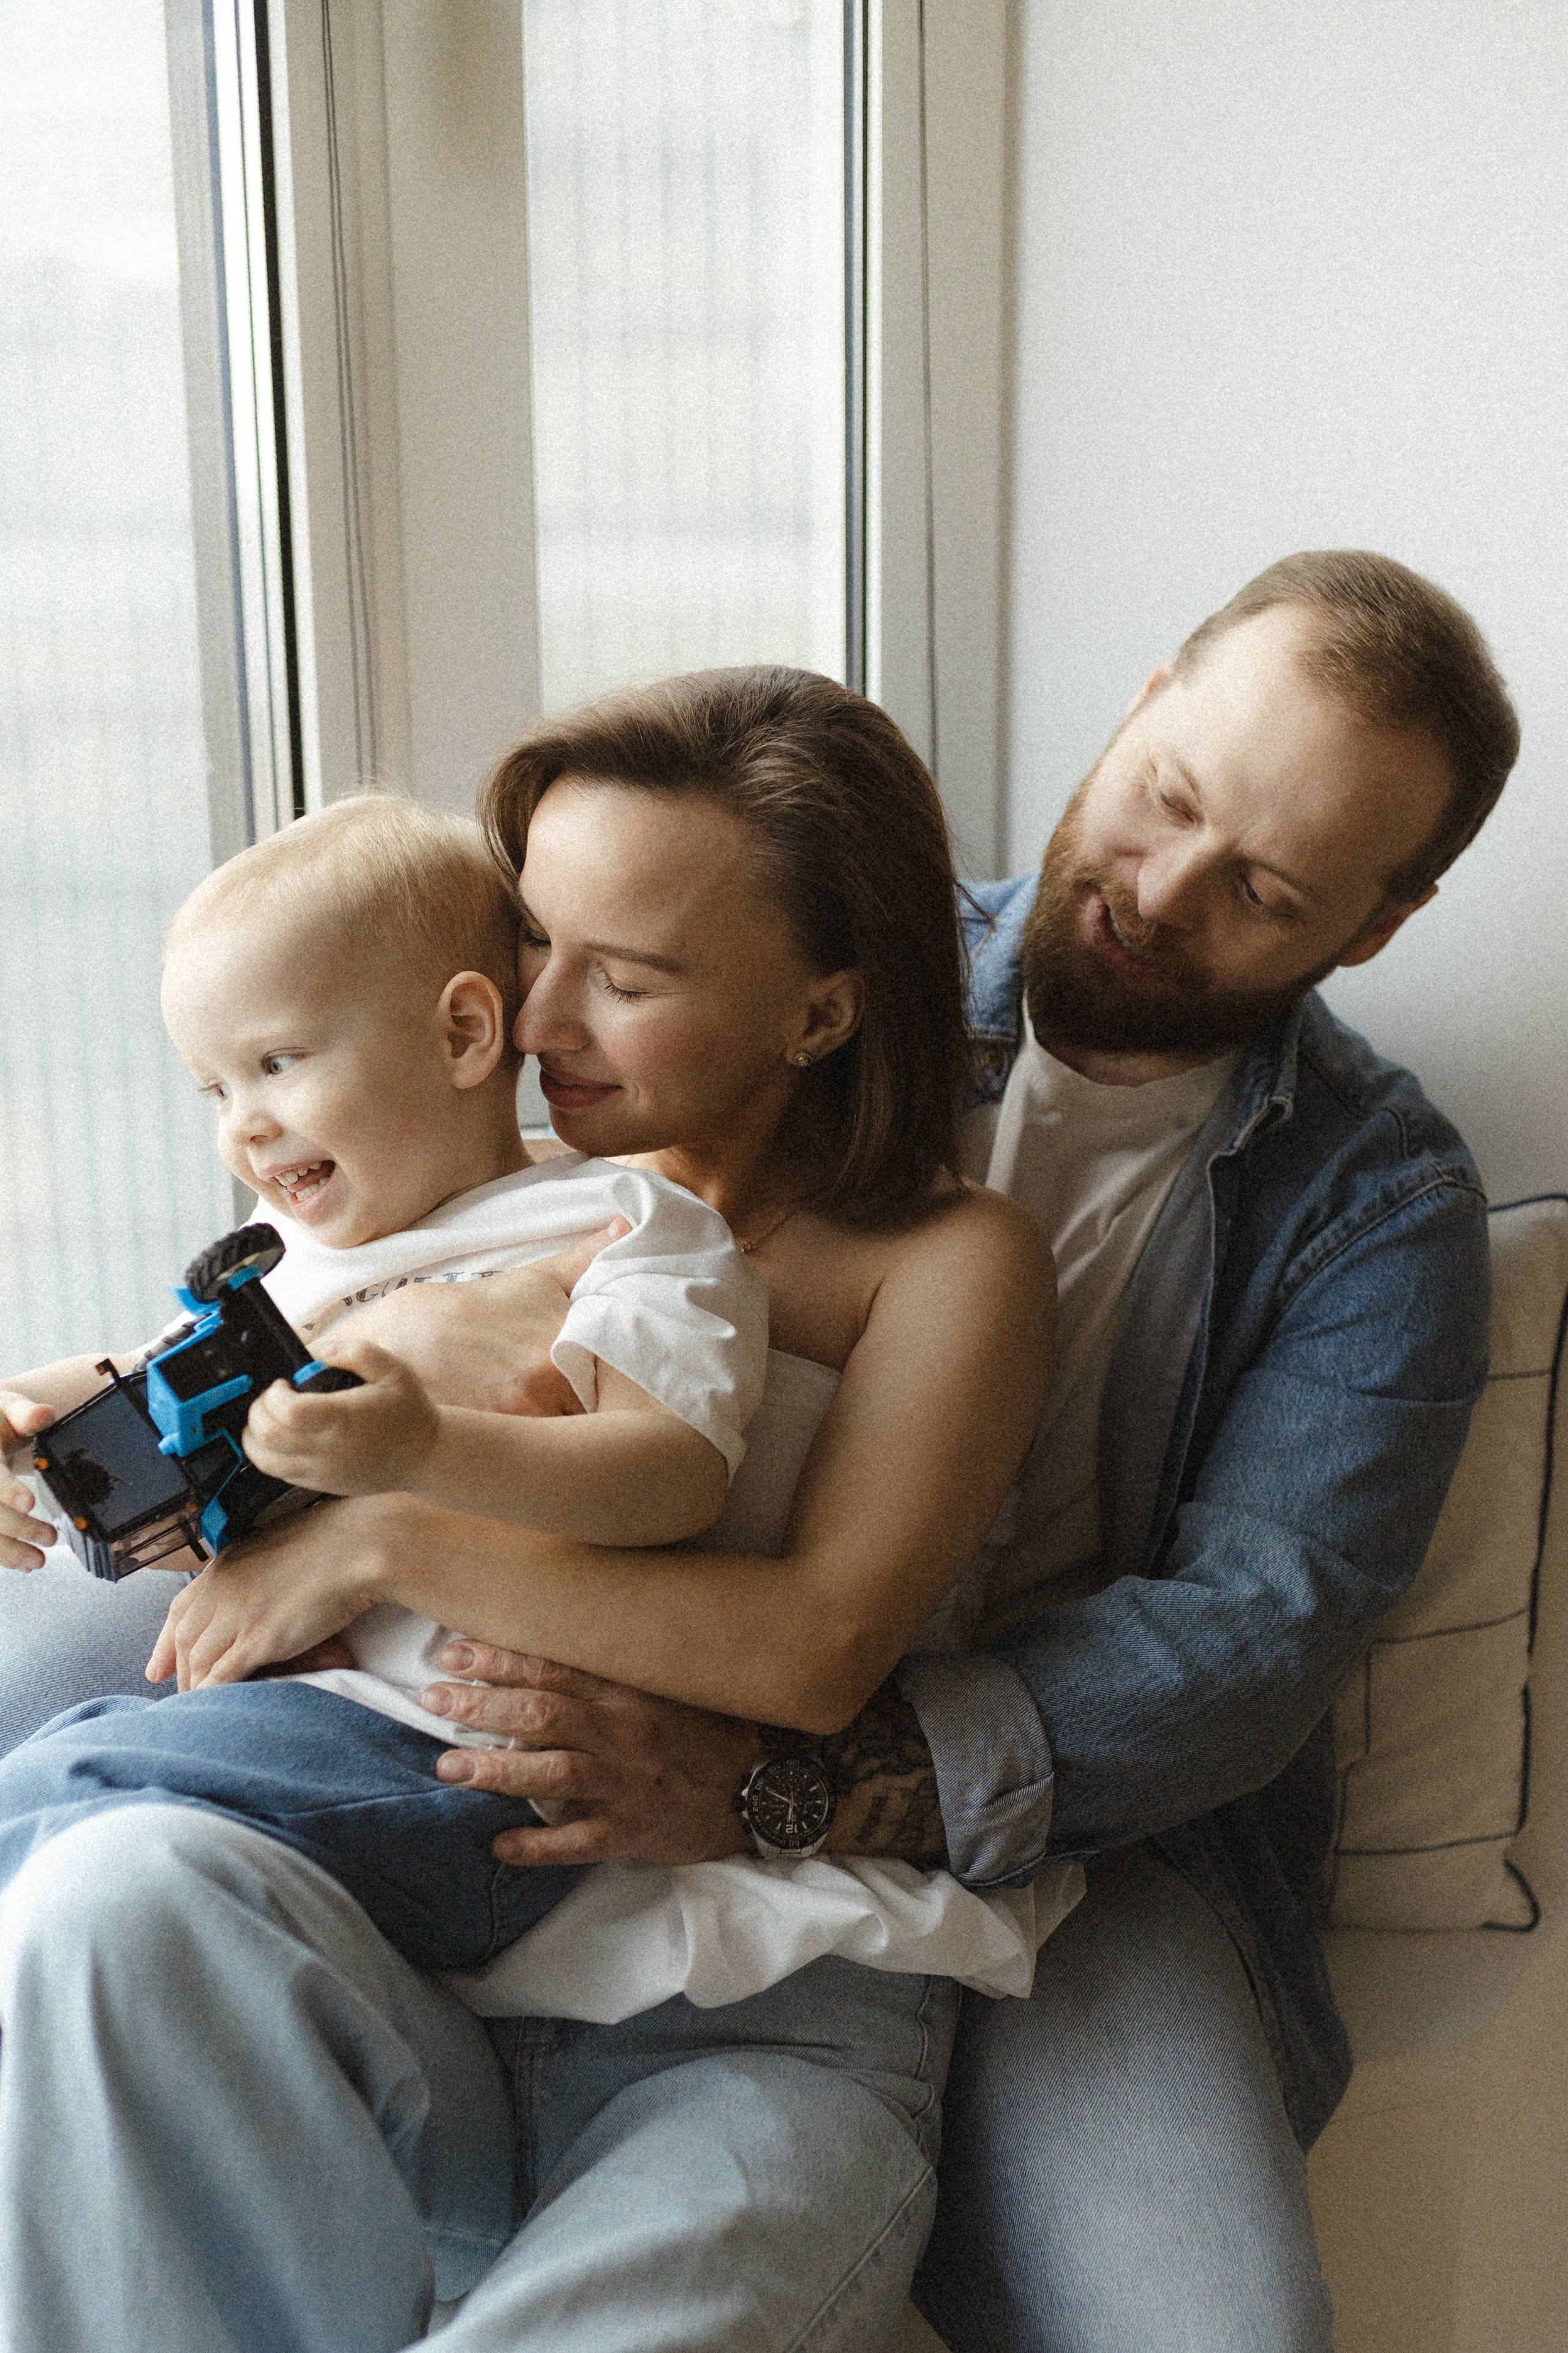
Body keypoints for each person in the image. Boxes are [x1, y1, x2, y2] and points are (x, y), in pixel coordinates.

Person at [276, 547, 1509, 2353]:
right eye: (1168, 798)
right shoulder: (817, 938)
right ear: (1143, 702)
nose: (1160, 891)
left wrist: (790, 1783)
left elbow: (1246, 1644)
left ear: (1374, 927)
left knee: (1218, 2329)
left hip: (1072, 1826)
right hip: (643, 1599)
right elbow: (447, 1148)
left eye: (1262, 889)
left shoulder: (1377, 1208)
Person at [0, 667, 1054, 2351]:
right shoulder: (447, 1203)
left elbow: (811, 1650)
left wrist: (383, 1532)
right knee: (99, 1895)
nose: (539, 1017)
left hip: (743, 2018)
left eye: (623, 978)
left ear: (820, 1011)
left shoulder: (941, 1261)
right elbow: (202, 1391)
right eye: (534, 941)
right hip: (422, 1971)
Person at [0, 791, 772, 1970]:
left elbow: (676, 1477)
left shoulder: (620, 1224)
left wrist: (425, 1449)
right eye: (217, 1089)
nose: (245, 1129)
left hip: (465, 1764)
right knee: (70, 1776)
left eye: (276, 1063)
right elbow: (149, 1387)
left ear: (464, 1034)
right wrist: (22, 1416)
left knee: (70, 1781)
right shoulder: (291, 1255)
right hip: (290, 1732)